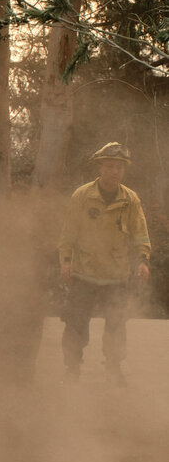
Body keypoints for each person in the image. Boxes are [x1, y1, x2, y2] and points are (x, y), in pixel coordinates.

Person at [58, 142, 150, 386]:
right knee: (76, 324)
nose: (115, 171)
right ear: (100, 167)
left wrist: (142, 261)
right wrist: (65, 262)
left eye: (119, 167)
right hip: (84, 272)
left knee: (116, 326)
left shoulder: (130, 200)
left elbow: (140, 234)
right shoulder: (82, 196)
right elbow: (68, 234)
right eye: (110, 166)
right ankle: (72, 370)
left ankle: (113, 369)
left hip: (116, 274)